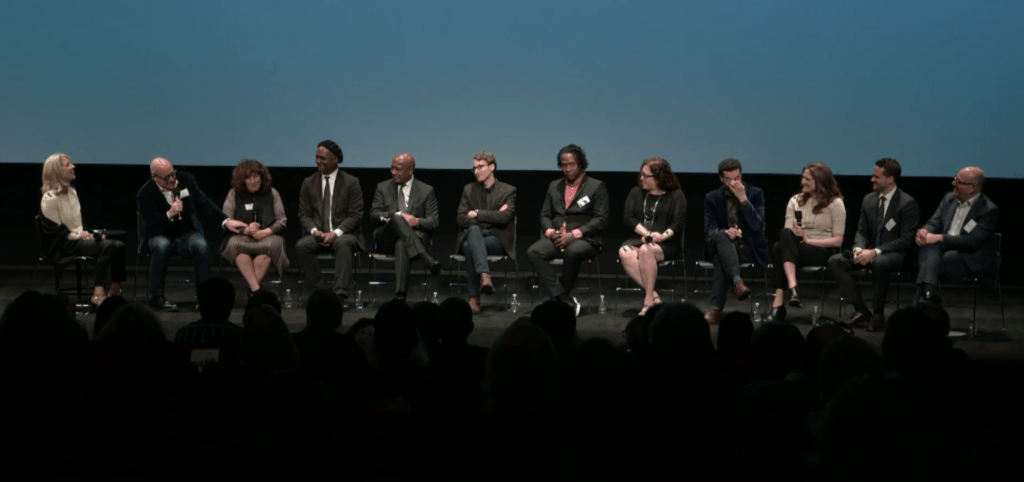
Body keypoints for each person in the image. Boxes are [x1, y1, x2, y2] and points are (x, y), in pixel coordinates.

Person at [138, 157, 247, 310]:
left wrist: (225, 221)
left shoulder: (186, 180)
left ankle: (204, 298)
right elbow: (150, 225)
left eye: (173, 173)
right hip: (159, 234)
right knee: (162, 246)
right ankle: (157, 297)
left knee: (201, 246)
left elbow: (203, 202)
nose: (172, 179)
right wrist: (169, 214)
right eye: (166, 177)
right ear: (154, 177)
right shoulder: (145, 194)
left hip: (186, 233)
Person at [828, 158, 919, 332]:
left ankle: (878, 314)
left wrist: (876, 252)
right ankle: (861, 310)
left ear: (890, 179)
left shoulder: (907, 203)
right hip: (869, 253)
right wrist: (858, 248)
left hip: (896, 255)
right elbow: (862, 231)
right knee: (836, 260)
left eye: (876, 177)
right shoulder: (869, 200)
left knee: (880, 262)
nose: (872, 179)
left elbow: (906, 240)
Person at [526, 144, 609, 316]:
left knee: (573, 250)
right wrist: (550, 232)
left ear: (581, 164)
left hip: (585, 239)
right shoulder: (554, 186)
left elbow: (601, 219)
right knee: (534, 252)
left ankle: (559, 300)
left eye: (572, 164)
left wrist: (574, 234)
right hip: (558, 237)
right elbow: (545, 215)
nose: (568, 169)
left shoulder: (596, 186)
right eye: (564, 165)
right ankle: (562, 298)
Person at [39, 153, 127, 306]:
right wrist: (80, 236)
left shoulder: (72, 192)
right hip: (63, 245)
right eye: (68, 165)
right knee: (107, 246)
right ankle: (98, 293)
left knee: (119, 243)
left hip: (77, 240)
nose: (73, 166)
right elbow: (56, 232)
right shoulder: (49, 199)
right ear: (57, 171)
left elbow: (78, 224)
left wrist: (91, 234)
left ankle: (115, 289)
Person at [766, 162, 845, 322]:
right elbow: (787, 234)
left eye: (807, 179)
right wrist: (796, 234)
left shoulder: (835, 203)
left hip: (822, 251)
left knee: (777, 248)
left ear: (820, 181)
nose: (802, 182)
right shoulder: (795, 200)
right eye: (803, 178)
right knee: (783, 237)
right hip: (796, 249)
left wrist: (809, 240)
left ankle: (780, 303)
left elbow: (838, 241)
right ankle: (793, 288)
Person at [915, 166, 999, 306]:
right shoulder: (949, 199)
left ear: (972, 188)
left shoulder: (988, 210)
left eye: (958, 181)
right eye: (955, 178)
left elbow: (972, 241)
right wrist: (924, 231)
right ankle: (929, 298)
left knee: (928, 264)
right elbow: (934, 222)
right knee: (928, 251)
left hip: (969, 257)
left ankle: (924, 302)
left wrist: (940, 238)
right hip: (942, 250)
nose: (953, 183)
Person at [296, 140, 365, 300]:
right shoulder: (309, 182)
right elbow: (304, 214)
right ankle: (318, 290)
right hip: (318, 234)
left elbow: (355, 215)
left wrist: (336, 233)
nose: (318, 161)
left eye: (323, 158)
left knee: (343, 243)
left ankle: (340, 295)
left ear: (335, 159)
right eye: (317, 157)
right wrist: (314, 231)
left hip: (344, 234)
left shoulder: (351, 182)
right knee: (302, 246)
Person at [701, 158, 768, 324]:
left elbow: (757, 225)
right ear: (721, 178)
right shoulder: (712, 197)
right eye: (728, 179)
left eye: (737, 178)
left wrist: (743, 199)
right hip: (720, 243)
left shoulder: (755, 193)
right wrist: (726, 232)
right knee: (720, 237)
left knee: (720, 257)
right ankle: (738, 282)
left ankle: (715, 308)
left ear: (741, 175)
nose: (733, 182)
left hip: (746, 247)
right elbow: (709, 227)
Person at [369, 152, 441, 300]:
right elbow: (374, 215)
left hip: (413, 239)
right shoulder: (383, 187)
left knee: (402, 243)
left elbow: (434, 221)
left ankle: (400, 296)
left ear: (410, 171)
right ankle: (426, 258)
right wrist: (395, 216)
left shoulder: (426, 190)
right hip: (386, 238)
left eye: (398, 169)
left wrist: (417, 221)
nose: (393, 172)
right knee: (397, 217)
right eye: (392, 168)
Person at [618, 157, 686, 316]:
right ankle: (654, 296)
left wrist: (661, 237)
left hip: (667, 243)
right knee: (624, 252)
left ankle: (648, 301)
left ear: (659, 177)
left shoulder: (676, 195)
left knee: (646, 250)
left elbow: (677, 224)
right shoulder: (636, 192)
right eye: (641, 174)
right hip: (641, 239)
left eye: (646, 175)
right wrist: (647, 234)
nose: (641, 178)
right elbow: (628, 218)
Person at [455, 151, 517, 313]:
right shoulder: (469, 189)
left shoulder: (508, 190)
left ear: (492, 167)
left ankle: (474, 298)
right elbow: (461, 218)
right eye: (474, 168)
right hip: (473, 234)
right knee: (473, 233)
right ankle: (484, 276)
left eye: (480, 167)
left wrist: (477, 213)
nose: (476, 171)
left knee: (470, 245)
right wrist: (494, 216)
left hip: (495, 240)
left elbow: (506, 217)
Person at [221, 159, 289, 295]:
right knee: (235, 246)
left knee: (273, 246)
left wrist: (265, 232)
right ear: (242, 180)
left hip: (267, 237)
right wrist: (245, 230)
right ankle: (256, 290)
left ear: (262, 178)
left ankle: (253, 290)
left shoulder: (273, 193)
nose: (253, 181)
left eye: (255, 177)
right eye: (248, 178)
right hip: (241, 237)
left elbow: (282, 220)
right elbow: (226, 219)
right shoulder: (233, 194)